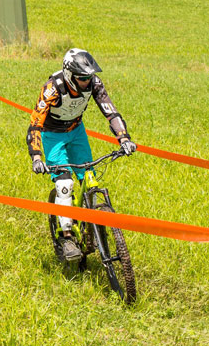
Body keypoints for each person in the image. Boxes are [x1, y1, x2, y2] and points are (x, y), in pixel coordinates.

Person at [27, 48, 137, 262]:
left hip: (77, 131)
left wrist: (124, 138)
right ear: (69, 74)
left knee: (89, 176)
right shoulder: (52, 88)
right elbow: (35, 124)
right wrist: (37, 157)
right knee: (64, 184)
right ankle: (66, 236)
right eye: (82, 78)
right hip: (52, 135)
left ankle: (93, 222)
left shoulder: (94, 83)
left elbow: (110, 111)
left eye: (90, 76)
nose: (88, 81)